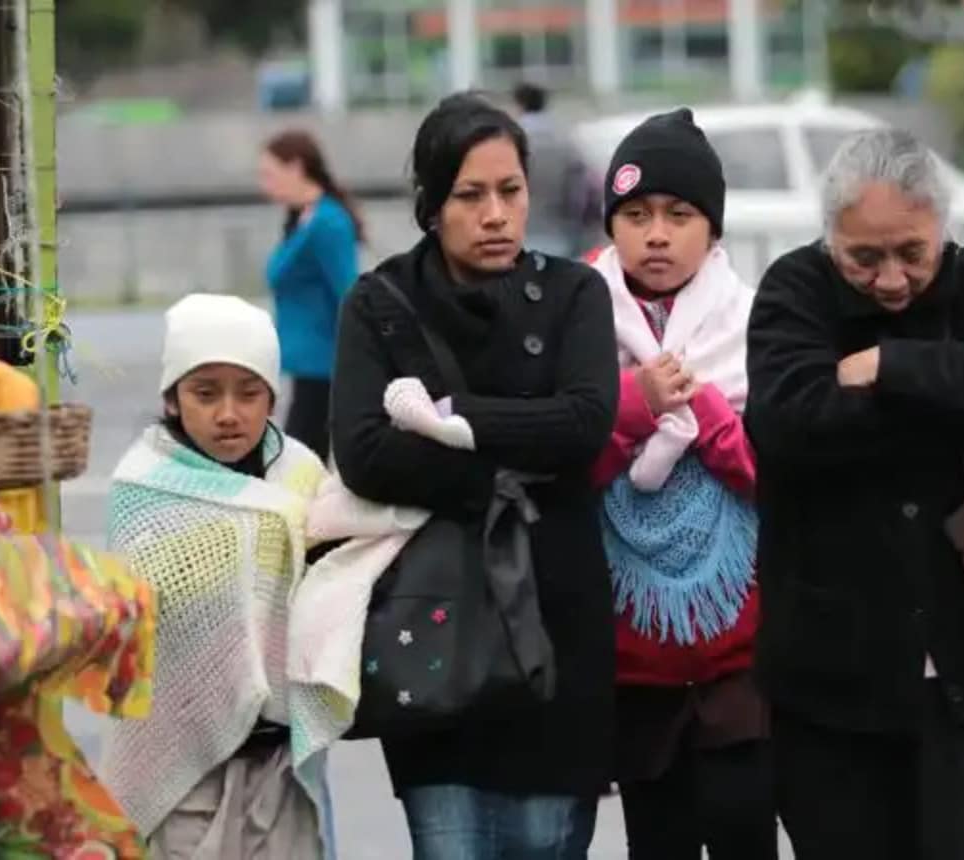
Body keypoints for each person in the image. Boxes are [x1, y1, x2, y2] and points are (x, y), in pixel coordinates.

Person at [744, 128, 964, 859]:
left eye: (912, 253)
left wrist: (885, 365)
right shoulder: (794, 293)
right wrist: (952, 399)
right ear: (830, 242)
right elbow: (791, 424)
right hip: (830, 686)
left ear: (943, 231)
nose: (890, 280)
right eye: (865, 258)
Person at [329, 92, 619, 858]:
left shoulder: (574, 293)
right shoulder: (381, 305)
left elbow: (585, 423)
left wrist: (454, 421)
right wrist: (507, 467)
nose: (495, 214)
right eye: (470, 195)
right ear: (431, 204)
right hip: (435, 627)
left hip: (555, 631)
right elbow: (363, 451)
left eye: (510, 191)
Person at [586, 109, 776, 860]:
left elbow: (779, 476)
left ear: (713, 229)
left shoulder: (756, 326)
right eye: (635, 215)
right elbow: (563, 468)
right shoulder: (577, 324)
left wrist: (700, 409)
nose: (656, 234)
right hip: (635, 659)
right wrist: (634, 407)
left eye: (679, 214)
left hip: (741, 653)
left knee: (743, 832)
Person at [99, 294, 332, 857]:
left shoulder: (301, 474)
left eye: (249, 393)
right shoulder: (143, 487)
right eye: (205, 393)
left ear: (272, 397)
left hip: (282, 766)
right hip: (183, 774)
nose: (229, 413)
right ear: (173, 399)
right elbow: (132, 631)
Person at [259, 130, 363, 461]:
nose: (265, 184)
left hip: (324, 364)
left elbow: (348, 291)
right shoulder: (302, 218)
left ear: (296, 167)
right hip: (307, 364)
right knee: (301, 461)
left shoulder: (327, 223)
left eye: (270, 174)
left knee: (297, 463)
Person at [512, 81, 592, 258]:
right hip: (561, 231)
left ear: (519, 104)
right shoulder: (565, 138)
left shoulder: (510, 140)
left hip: (522, 231)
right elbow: (580, 189)